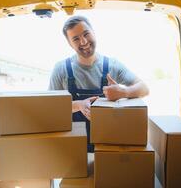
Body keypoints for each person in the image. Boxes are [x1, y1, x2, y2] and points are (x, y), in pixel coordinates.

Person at [48, 16, 149, 152]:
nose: (83, 42)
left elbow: (144, 88)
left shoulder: (113, 65)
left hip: (109, 146)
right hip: (74, 150)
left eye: (86, 34)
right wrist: (78, 105)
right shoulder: (60, 69)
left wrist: (124, 92)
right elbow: (50, 108)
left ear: (94, 32)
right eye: (76, 39)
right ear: (70, 44)